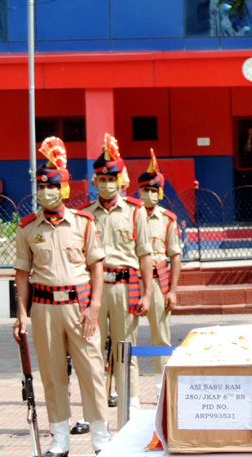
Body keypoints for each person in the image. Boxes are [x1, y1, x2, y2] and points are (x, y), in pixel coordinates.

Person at [13, 137, 110, 457]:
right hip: (44, 311)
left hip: (80, 309)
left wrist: (95, 307)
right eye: (41, 187)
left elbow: (97, 267)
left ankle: (101, 439)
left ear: (63, 189)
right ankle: (60, 442)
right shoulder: (27, 228)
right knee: (53, 376)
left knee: (92, 372)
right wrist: (22, 314)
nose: (45, 192)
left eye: (51, 186)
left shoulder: (83, 224)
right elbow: (22, 275)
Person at [81, 134, 153, 412]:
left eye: (113, 179)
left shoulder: (136, 212)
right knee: (92, 351)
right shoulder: (85, 215)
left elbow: (145, 256)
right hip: (94, 291)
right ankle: (92, 410)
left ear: (120, 180)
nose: (108, 184)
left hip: (126, 287)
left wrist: (147, 294)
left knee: (126, 350)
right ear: (95, 181)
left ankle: (131, 407)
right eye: (103, 179)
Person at [137, 150, 181, 398]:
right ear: (139, 191)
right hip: (133, 281)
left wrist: (173, 290)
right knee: (124, 341)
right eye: (146, 190)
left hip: (158, 280)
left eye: (154, 191)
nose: (150, 194)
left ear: (160, 192)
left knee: (161, 339)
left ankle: (160, 390)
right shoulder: (131, 215)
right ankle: (123, 392)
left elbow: (175, 257)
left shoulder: (167, 219)